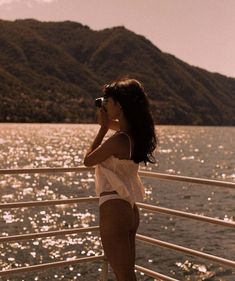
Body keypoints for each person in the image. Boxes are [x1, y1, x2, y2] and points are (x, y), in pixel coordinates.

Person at [84, 78, 157, 281]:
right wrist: (108, 123)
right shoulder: (134, 135)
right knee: (127, 274)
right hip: (129, 209)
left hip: (114, 208)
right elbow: (122, 127)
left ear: (120, 105)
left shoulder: (117, 140)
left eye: (110, 100)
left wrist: (102, 130)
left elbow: (88, 160)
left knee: (124, 276)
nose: (106, 104)